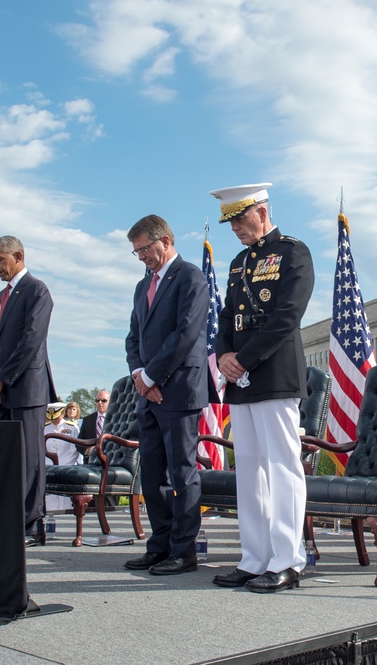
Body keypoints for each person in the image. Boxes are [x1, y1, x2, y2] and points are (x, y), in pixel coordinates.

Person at [209, 183, 315, 594]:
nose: (235, 227)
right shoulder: (238, 263)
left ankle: (288, 560)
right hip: (239, 379)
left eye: (240, 218)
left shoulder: (294, 252)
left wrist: (244, 359)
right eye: (231, 221)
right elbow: (225, 318)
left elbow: (288, 314)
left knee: (282, 467)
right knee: (249, 470)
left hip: (273, 374)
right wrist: (223, 357)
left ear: (262, 212)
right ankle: (254, 559)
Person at [123, 214, 209, 575]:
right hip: (149, 394)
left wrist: (154, 375)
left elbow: (185, 333)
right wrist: (141, 376)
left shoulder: (190, 276)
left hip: (179, 391)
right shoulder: (143, 286)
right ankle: (158, 545)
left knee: (181, 473)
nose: (141, 256)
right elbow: (133, 339)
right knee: (152, 473)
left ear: (166, 241)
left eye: (144, 248)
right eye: (136, 251)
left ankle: (183, 550)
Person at [0, 235, 58, 548]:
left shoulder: (36, 290)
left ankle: (32, 525)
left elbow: (31, 339)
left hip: (27, 387)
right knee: (7, 456)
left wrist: (5, 377)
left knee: (29, 458)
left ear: (17, 256)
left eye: (0, 260)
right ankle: (7, 519)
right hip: (2, 390)